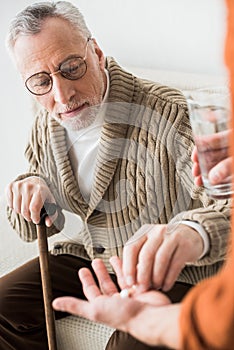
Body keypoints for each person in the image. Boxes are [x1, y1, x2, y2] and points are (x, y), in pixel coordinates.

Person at [2, 1, 231, 349]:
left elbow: (226, 206)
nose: (62, 95)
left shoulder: (169, 113)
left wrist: (190, 232)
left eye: (71, 68)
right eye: (41, 81)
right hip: (94, 257)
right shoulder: (45, 125)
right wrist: (30, 189)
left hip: (176, 272)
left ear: (95, 52)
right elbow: (44, 225)